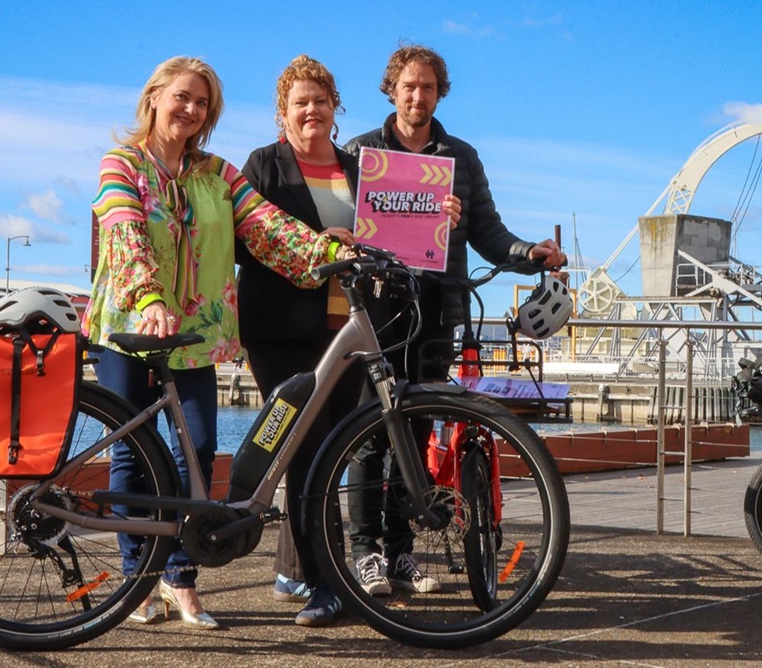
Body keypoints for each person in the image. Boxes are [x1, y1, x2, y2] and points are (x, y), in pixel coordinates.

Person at [82, 56, 349, 629]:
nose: (191, 109)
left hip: (196, 335)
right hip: (131, 326)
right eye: (182, 97)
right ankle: (138, 582)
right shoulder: (121, 163)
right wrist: (149, 298)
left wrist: (329, 253)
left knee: (198, 450)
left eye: (202, 103)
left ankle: (180, 578)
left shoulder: (219, 174)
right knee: (131, 453)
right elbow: (124, 230)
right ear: (154, 97)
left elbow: (267, 226)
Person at [237, 54, 460, 626]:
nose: (312, 110)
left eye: (321, 100)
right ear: (283, 113)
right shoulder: (264, 166)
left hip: (351, 329)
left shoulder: (360, 165)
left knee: (333, 454)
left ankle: (317, 574)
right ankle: (324, 582)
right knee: (302, 453)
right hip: (281, 332)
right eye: (300, 102)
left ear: (337, 108)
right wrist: (321, 241)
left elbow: (399, 230)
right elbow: (246, 242)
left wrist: (442, 213)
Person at [341, 43, 567, 595]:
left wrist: (529, 253)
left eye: (429, 87)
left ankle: (400, 553)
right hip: (377, 308)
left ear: (440, 93)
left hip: (438, 308)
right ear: (392, 89)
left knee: (415, 431)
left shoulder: (460, 157)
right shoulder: (359, 152)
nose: (418, 96)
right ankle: (364, 551)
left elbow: (490, 233)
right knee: (371, 435)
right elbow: (341, 226)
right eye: (409, 86)